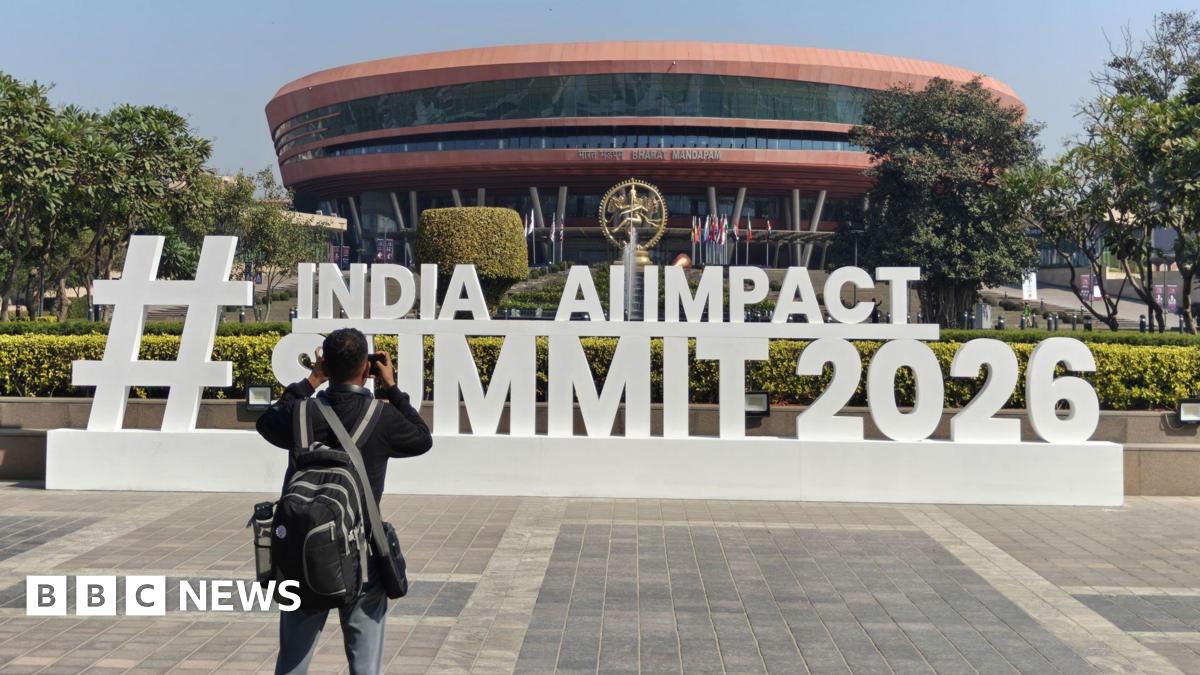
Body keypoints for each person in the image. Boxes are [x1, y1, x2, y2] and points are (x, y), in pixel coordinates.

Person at [255, 328, 432, 675]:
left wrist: (312, 379)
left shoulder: (302, 413)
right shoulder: (382, 418)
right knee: (365, 666)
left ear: (325, 364)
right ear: (367, 370)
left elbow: (266, 421)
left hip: (304, 551)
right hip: (363, 557)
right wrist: (392, 389)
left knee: (292, 662)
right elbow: (422, 438)